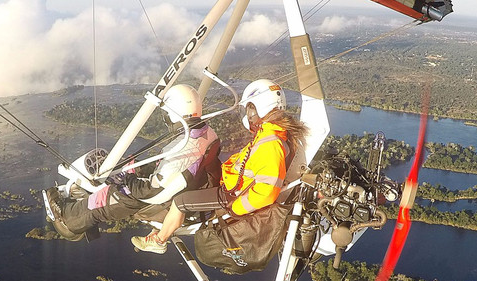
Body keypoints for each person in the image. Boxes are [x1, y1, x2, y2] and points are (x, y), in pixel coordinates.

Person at [130, 79, 309, 254]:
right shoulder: (273, 133)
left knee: (180, 202)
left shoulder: (271, 142)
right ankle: (163, 227)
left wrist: (235, 208)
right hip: (232, 188)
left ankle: (159, 241)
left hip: (230, 196)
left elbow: (267, 192)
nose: (247, 115)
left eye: (248, 109)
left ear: (255, 108)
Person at [43, 84, 220, 240]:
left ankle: (67, 218)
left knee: (107, 198)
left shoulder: (184, 148)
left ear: (175, 114)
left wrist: (127, 180)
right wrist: (139, 170)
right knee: (129, 175)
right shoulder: (206, 133)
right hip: (187, 191)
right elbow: (175, 171)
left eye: (167, 114)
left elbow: (154, 193)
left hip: (163, 202)